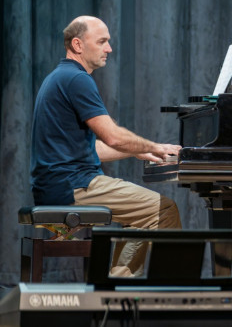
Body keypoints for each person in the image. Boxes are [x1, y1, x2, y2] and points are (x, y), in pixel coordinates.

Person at [30, 15, 183, 276]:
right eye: (102, 41)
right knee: (164, 210)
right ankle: (169, 292)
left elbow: (92, 149)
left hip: (55, 185)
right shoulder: (76, 79)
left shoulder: (59, 77)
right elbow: (112, 136)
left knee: (142, 219)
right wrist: (156, 146)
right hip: (72, 186)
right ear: (78, 44)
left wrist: (140, 151)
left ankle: (117, 290)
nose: (109, 48)